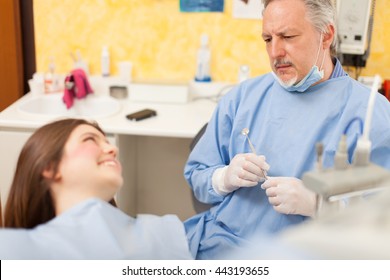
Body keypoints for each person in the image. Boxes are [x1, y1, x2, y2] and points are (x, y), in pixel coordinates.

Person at [183, 0, 390, 259]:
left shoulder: (370, 112)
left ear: (326, 35)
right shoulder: (243, 97)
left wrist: (320, 204)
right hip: (220, 246)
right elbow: (197, 174)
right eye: (268, 39)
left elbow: (382, 222)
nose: (275, 52)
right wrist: (223, 178)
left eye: (287, 36)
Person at [0, 118, 192, 259]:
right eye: (90, 140)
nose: (113, 150)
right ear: (50, 167)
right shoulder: (22, 250)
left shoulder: (154, 235)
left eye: (108, 142)